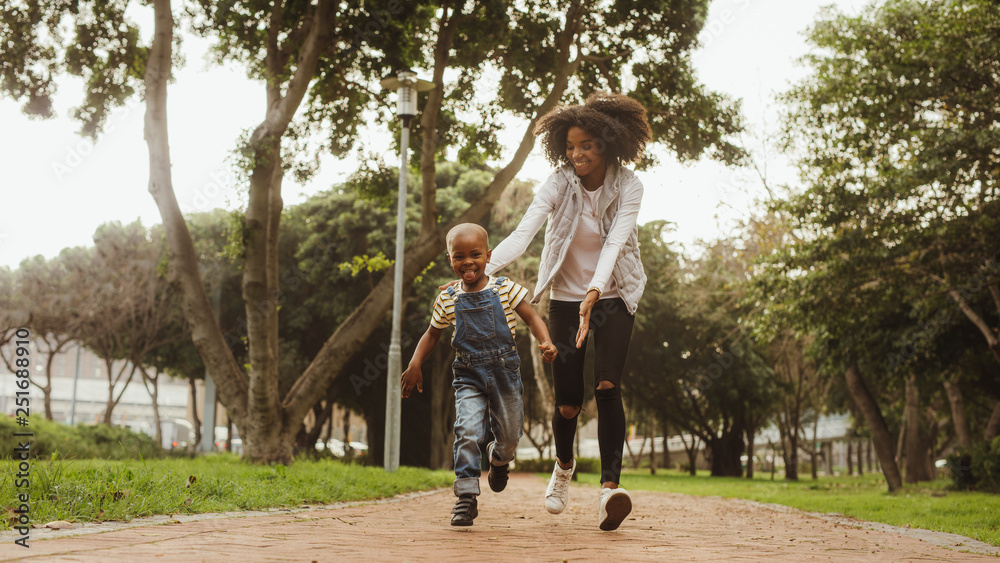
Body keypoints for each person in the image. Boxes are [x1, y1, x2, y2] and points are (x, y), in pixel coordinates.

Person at [484, 92, 651, 531]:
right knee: (569, 404)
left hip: (614, 295)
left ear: (608, 145)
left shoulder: (629, 185)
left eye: (587, 146)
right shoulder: (558, 183)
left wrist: (596, 290)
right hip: (562, 300)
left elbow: (616, 243)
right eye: (571, 146)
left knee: (608, 385)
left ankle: (609, 490)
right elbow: (524, 233)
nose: (577, 154)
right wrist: (481, 269)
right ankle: (563, 468)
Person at [401, 222, 557, 527]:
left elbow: (531, 316)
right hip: (468, 374)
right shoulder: (447, 298)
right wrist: (415, 362)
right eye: (459, 256)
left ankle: (499, 459)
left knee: (510, 436)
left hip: (505, 373)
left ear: (488, 255)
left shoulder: (505, 288)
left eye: (475, 254)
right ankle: (466, 497)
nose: (467, 262)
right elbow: (432, 334)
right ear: (450, 260)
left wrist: (545, 341)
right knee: (467, 430)